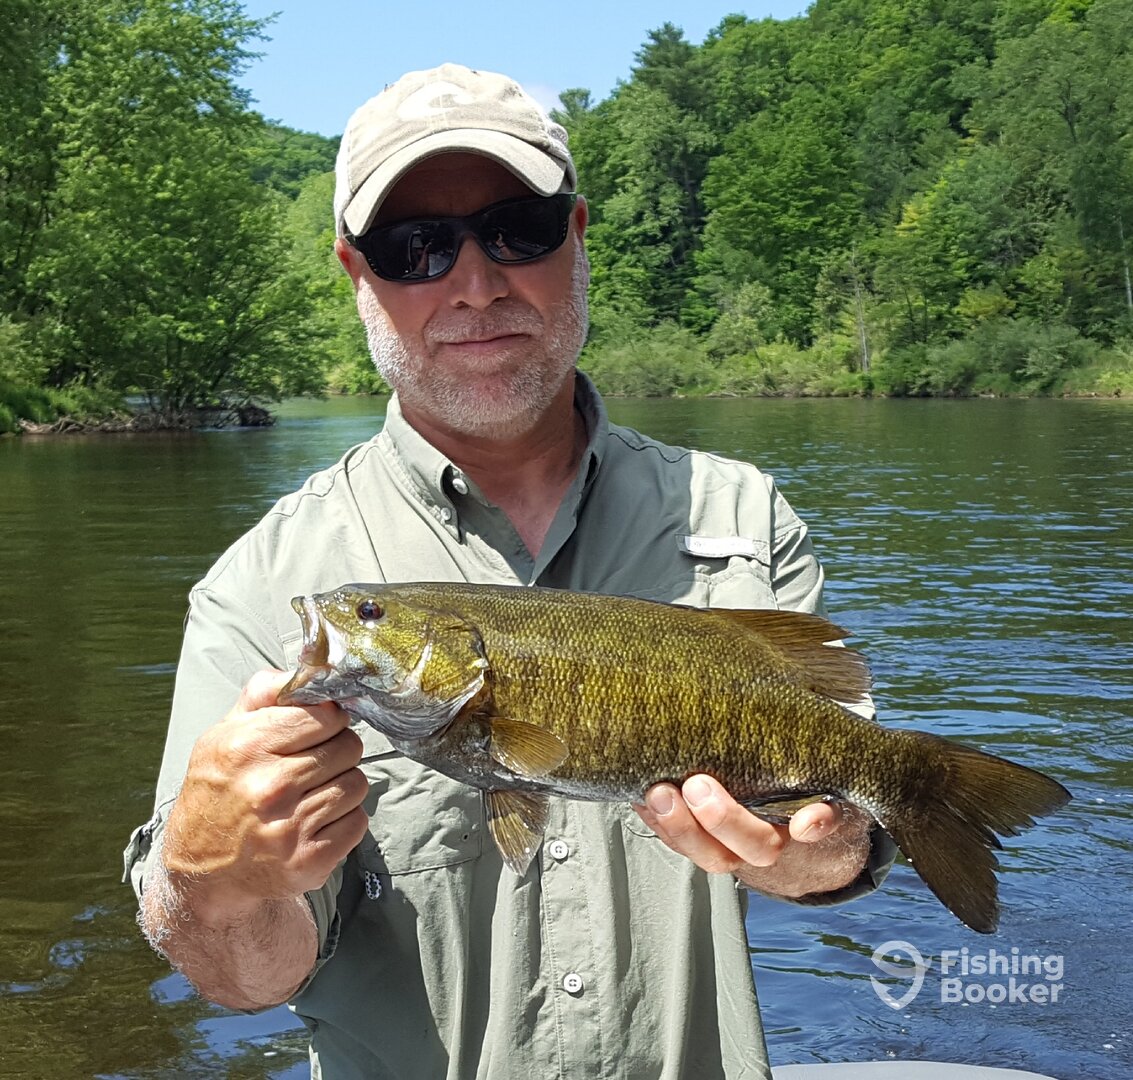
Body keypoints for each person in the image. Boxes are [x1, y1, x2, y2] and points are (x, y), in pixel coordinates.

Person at [125, 63, 895, 1080]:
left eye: (516, 231)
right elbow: (249, 979)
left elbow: (837, 834)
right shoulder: (259, 589)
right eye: (414, 248)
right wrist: (209, 882)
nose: (475, 284)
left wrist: (822, 851)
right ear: (356, 274)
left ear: (575, 236)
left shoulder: (739, 519)